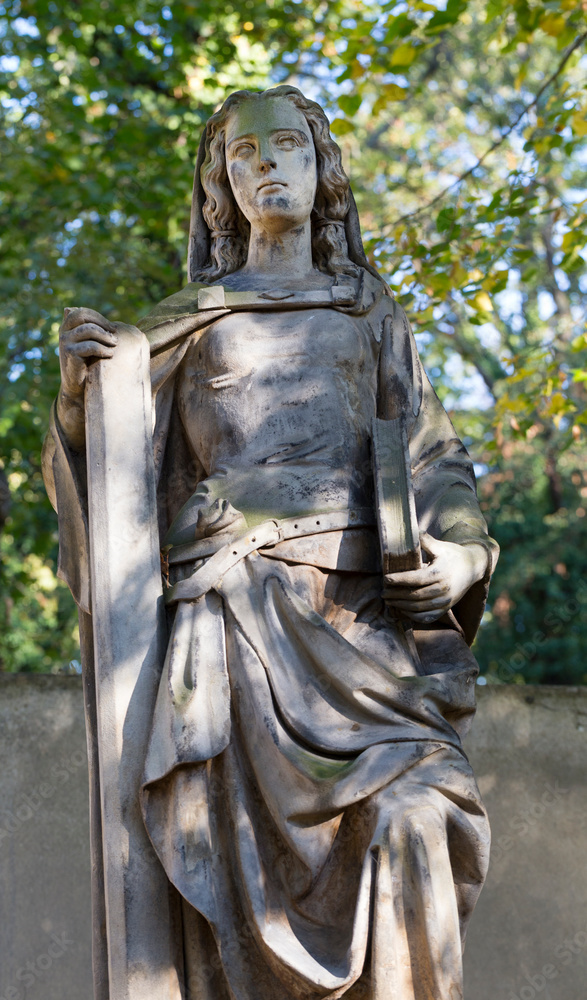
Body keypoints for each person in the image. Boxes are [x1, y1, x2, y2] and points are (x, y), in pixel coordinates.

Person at [43, 85, 498, 1000]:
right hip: (233, 630)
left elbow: (435, 459)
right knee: (227, 871)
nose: (266, 166)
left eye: (286, 146)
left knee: (413, 816)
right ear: (221, 187)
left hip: (362, 629)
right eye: (243, 156)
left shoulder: (367, 313)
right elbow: (115, 473)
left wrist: (459, 555)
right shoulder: (179, 329)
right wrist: (78, 400)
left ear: (322, 169)